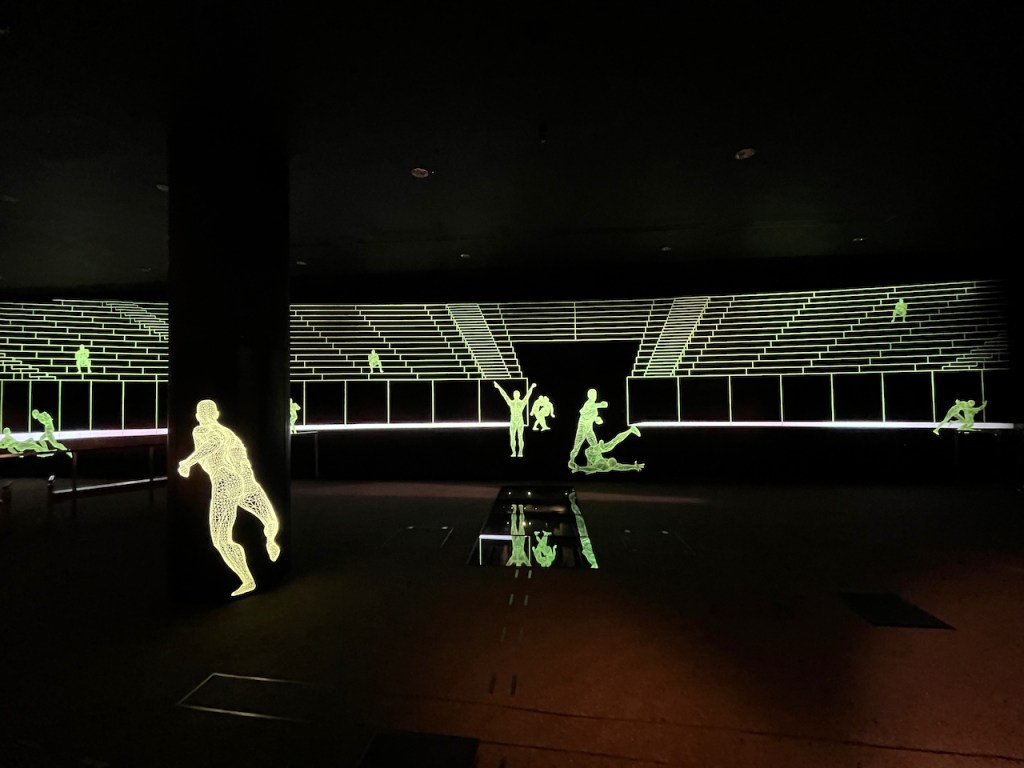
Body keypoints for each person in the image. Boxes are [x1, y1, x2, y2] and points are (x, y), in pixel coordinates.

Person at [177, 399, 281, 597]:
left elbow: (214, 443)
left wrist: (188, 462)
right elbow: (235, 454)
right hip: (247, 482)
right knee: (270, 520)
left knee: (221, 539)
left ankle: (248, 579)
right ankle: (271, 539)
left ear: (201, 416)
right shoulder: (229, 433)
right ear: (216, 413)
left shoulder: (201, 431)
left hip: (226, 482)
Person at [574, 426, 644, 474]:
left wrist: (579, 468)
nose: (607, 459)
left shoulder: (602, 467)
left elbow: (591, 469)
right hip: (597, 453)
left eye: (607, 460)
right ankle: (630, 430)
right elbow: (623, 467)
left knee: (608, 447)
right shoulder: (614, 466)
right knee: (614, 442)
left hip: (590, 453)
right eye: (608, 459)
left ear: (608, 464)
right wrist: (634, 467)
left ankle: (601, 447)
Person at [494, 381, 536, 457]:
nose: (516, 395)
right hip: (513, 421)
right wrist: (498, 387)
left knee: (520, 437)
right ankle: (513, 452)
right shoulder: (511, 402)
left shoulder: (522, 403)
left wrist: (531, 387)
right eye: (515, 394)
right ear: (513, 395)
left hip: (519, 421)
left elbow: (528, 395)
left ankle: (520, 452)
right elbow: (504, 394)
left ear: (519, 395)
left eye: (517, 394)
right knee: (512, 437)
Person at [568, 388, 608, 470]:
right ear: (588, 396)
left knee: (595, 445)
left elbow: (592, 417)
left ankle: (594, 461)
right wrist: (602, 404)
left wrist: (597, 419)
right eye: (592, 395)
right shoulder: (588, 404)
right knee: (577, 445)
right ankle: (571, 461)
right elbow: (594, 406)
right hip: (582, 427)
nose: (594, 396)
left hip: (589, 428)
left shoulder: (593, 407)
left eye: (595, 394)